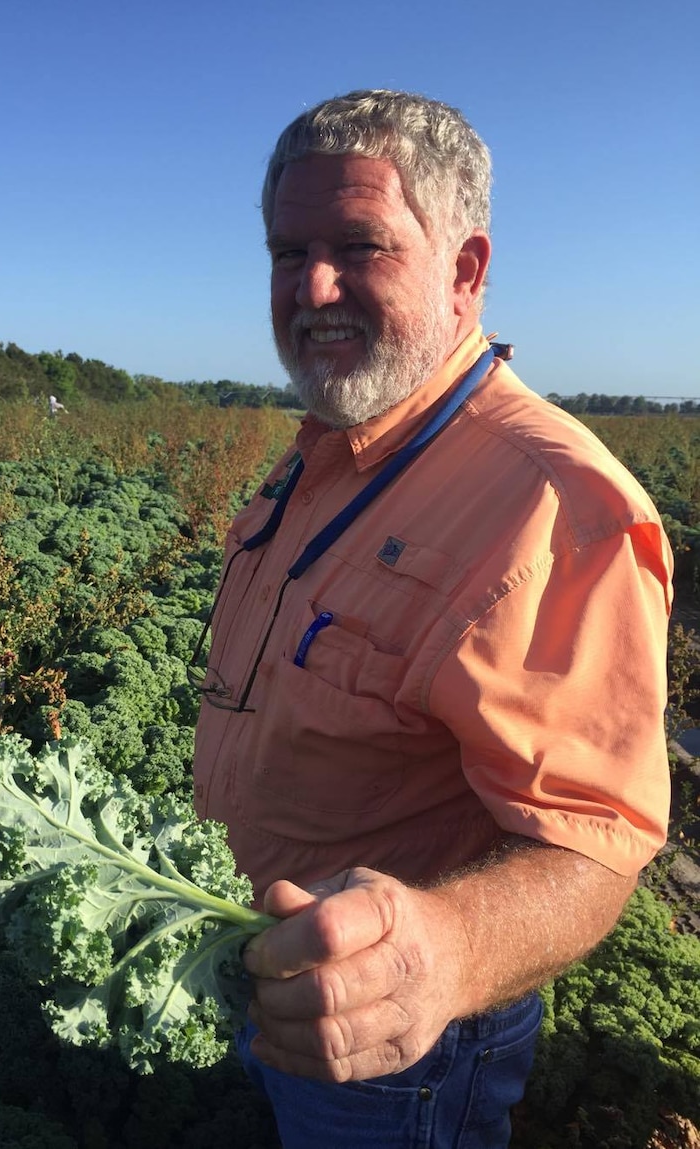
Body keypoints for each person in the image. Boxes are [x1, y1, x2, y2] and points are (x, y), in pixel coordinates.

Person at [189, 90, 673, 1149]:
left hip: (399, 1043)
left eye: (359, 246)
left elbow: (595, 848)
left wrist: (441, 952)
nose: (312, 288)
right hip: (264, 964)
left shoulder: (556, 507)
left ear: (463, 270)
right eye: (286, 252)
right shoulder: (329, 438)